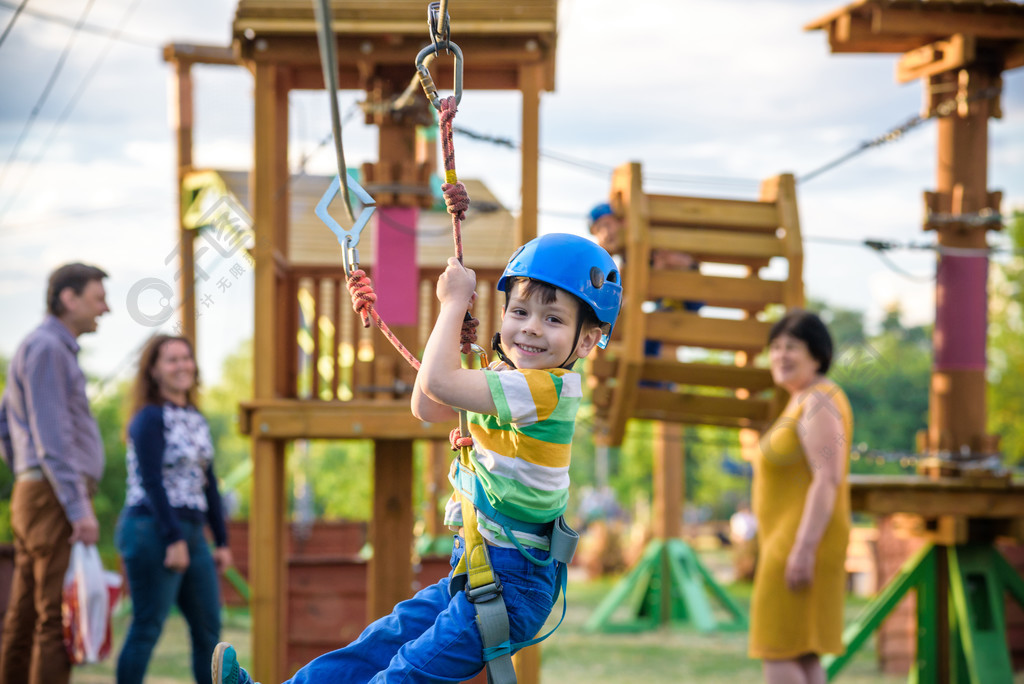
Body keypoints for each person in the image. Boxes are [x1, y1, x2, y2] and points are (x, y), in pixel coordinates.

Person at [212, 232, 622, 684]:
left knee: (403, 674)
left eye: (553, 319)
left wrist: (450, 307)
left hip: (514, 584)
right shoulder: (509, 381)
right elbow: (426, 404)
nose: (530, 327)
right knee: (374, 648)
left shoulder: (547, 391)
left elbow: (439, 385)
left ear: (587, 342)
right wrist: (450, 327)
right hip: (478, 568)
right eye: (520, 311)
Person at [0, 262, 109, 684]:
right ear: (69, 298)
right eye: (98, 298)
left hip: (38, 492)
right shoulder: (48, 348)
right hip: (51, 498)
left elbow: (5, 428)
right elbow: (53, 439)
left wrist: (26, 473)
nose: (106, 309)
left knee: (25, 616)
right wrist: (77, 507)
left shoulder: (39, 346)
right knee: (54, 621)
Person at [116, 334, 233, 684]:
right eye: (171, 360)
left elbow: (208, 482)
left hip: (194, 533)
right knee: (147, 625)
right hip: (153, 528)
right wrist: (173, 538)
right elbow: (150, 481)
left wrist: (222, 541)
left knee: (208, 630)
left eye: (186, 358)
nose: (182, 366)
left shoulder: (195, 417)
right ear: (153, 370)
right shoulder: (149, 418)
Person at [749, 309, 852, 684]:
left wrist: (804, 549)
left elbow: (828, 479)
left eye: (791, 346)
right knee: (802, 653)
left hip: (798, 544)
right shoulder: (802, 400)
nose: (780, 355)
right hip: (789, 541)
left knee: (775, 650)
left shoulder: (819, 401)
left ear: (817, 353)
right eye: (775, 347)